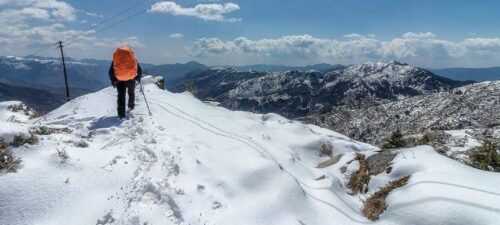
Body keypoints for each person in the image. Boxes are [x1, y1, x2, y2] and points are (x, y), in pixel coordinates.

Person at [108, 46, 142, 119]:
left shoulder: (116, 60)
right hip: (131, 79)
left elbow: (111, 71)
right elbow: (139, 70)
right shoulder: (133, 59)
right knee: (131, 92)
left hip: (119, 80)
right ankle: (131, 106)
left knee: (121, 96)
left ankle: (121, 114)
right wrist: (137, 78)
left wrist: (113, 81)